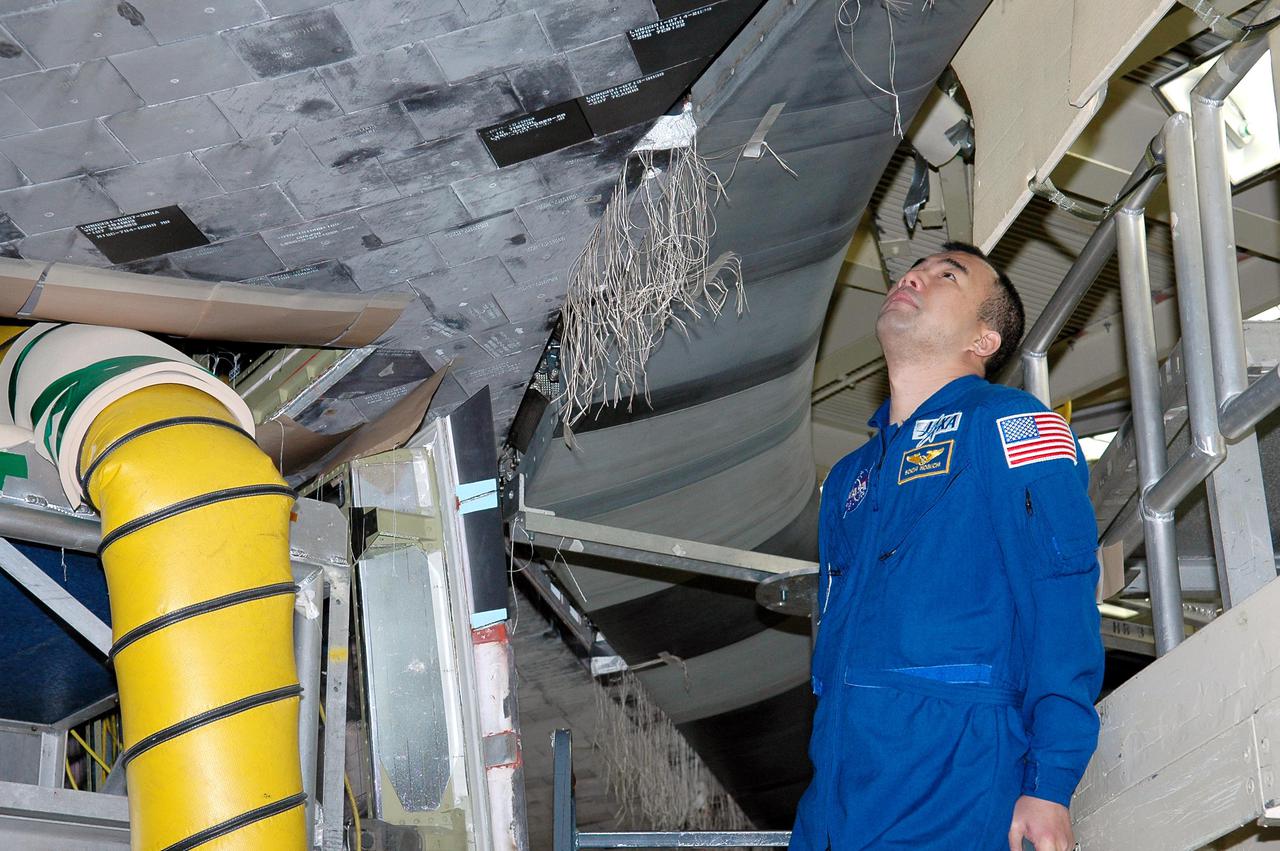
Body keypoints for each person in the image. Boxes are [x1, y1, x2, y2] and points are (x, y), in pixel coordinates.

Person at [788, 242, 1104, 851]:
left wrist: (1050, 781)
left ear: (984, 340)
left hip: (954, 775)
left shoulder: (1013, 423)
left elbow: (1060, 599)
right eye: (915, 269)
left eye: (948, 275)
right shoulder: (848, 478)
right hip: (834, 798)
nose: (915, 276)